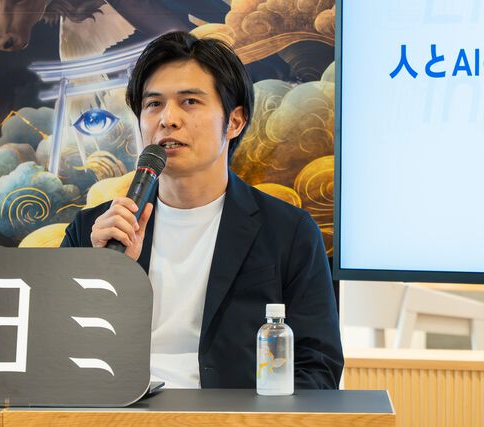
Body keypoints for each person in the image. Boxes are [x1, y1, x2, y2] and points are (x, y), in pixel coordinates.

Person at [61, 31, 343, 389]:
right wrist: (104, 272)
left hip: (233, 414)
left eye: (190, 101)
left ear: (235, 121)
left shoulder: (288, 232)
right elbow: (53, 355)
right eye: (153, 104)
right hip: (121, 410)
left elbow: (317, 367)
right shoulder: (93, 230)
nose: (168, 119)